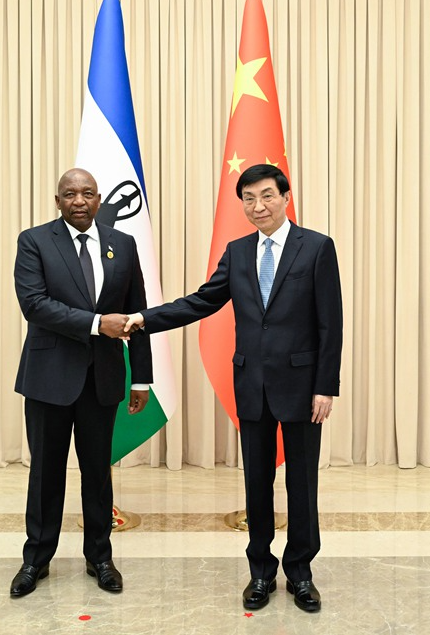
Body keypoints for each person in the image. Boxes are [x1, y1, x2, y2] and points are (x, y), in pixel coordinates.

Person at [125, 164, 342, 613]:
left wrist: (325, 387)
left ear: (285, 197)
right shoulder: (238, 251)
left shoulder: (317, 247)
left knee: (302, 484)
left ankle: (300, 573)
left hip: (303, 388)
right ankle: (260, 571)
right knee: (256, 483)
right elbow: (202, 301)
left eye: (267, 196)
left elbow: (330, 323)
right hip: (252, 385)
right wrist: (146, 318)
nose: (258, 206)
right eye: (249, 198)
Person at [10, 168, 152, 598]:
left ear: (98, 199)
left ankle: (100, 558)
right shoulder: (34, 241)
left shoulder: (122, 244)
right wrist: (95, 324)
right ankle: (36, 559)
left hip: (102, 380)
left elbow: (137, 313)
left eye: (87, 193)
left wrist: (142, 378)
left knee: (97, 474)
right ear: (57, 201)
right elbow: (34, 304)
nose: (78, 201)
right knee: (45, 473)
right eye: (69, 194)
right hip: (48, 379)